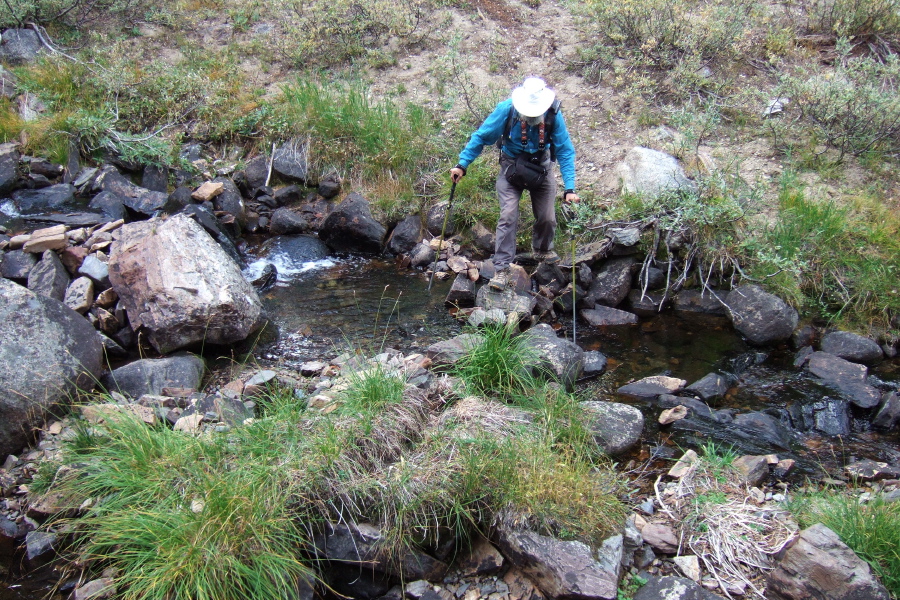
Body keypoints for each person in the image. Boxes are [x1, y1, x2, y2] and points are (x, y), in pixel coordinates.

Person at [450, 76, 580, 291]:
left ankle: (542, 250)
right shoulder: (506, 109)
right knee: (508, 214)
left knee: (547, 217)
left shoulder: (553, 114)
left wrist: (570, 188)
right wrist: (462, 164)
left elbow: (565, 151)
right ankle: (501, 267)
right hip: (511, 168)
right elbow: (482, 136)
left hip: (541, 168)